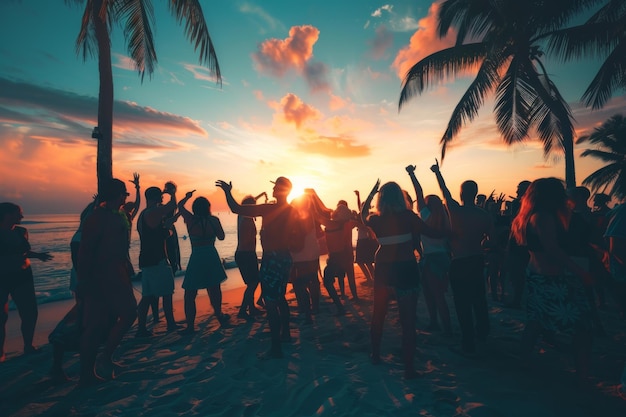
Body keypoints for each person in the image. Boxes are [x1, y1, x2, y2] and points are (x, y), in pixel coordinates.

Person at [510, 178, 594, 386]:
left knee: (536, 322)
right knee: (582, 326)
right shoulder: (544, 217)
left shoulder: (528, 217)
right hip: (553, 282)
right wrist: (580, 272)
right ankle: (582, 375)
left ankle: (524, 362)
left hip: (537, 277)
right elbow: (553, 250)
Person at [361, 179, 445, 379]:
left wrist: (371, 193)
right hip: (406, 269)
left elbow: (362, 214)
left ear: (380, 199)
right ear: (400, 197)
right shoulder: (408, 217)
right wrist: (451, 233)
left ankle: (375, 355)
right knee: (408, 322)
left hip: (383, 270)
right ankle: (408, 369)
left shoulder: (375, 220)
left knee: (378, 315)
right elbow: (431, 232)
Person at [216, 176, 302, 359]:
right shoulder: (293, 211)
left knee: (271, 304)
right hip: (286, 257)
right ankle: (285, 334)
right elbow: (299, 242)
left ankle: (276, 348)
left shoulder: (269, 208)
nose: (271, 190)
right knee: (280, 298)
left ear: (279, 190)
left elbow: (237, 209)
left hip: (272, 258)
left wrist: (228, 192)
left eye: (275, 187)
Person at [76, 179, 138, 386]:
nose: (125, 198)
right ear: (118, 195)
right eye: (125, 194)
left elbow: (120, 244)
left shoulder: (120, 215)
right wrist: (83, 281)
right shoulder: (97, 218)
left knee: (125, 315)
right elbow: (84, 251)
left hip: (118, 272)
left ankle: (105, 358)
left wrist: (126, 265)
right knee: (96, 325)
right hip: (100, 276)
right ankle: (88, 372)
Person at [430, 159, 493, 356]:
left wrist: (437, 172)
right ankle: (482, 333)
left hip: (459, 261)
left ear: (461, 194)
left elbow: (444, 190)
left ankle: (468, 341)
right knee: (479, 300)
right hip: (476, 260)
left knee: (462, 303)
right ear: (475, 193)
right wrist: (480, 244)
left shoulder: (455, 210)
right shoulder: (484, 216)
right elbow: (493, 241)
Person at [0, 203, 53, 362]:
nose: (22, 217)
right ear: (7, 215)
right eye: (18, 213)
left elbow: (23, 251)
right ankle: (0, 352)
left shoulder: (21, 231)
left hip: (23, 275)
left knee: (30, 313)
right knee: (1, 316)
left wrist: (38, 256)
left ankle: (28, 345)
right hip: (2, 277)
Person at [406, 165, 452, 334]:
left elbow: (418, 191)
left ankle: (443, 327)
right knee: (439, 296)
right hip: (444, 259)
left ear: (426, 204)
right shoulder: (446, 219)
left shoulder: (426, 216)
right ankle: (441, 325)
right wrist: (437, 173)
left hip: (430, 260)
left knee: (432, 296)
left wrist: (411, 174)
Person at [177, 190, 230, 334]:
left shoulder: (191, 220)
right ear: (208, 207)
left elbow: (179, 206)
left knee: (190, 293)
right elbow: (221, 237)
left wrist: (186, 197)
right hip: (211, 255)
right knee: (214, 289)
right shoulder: (214, 220)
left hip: (197, 256)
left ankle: (190, 326)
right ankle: (219, 315)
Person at [135, 184, 180, 337]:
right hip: (157, 259)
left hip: (147, 259)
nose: (162, 198)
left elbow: (155, 234)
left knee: (147, 295)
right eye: (161, 196)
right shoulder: (152, 212)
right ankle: (171, 324)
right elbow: (171, 206)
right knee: (167, 292)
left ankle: (141, 328)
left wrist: (166, 231)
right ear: (155, 198)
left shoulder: (143, 215)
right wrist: (173, 194)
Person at [289, 192, 322, 323]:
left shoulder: (303, 216)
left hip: (301, 254)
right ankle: (313, 307)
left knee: (300, 283)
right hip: (310, 252)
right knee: (312, 280)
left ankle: (307, 309)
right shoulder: (309, 214)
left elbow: (301, 236)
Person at [235, 195, 263, 321]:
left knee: (252, 282)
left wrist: (261, 195)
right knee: (253, 283)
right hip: (246, 254)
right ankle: (242, 310)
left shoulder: (242, 215)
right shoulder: (246, 218)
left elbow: (244, 206)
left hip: (245, 254)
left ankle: (251, 308)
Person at [354, 190, 376, 284]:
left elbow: (367, 228)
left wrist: (358, 225)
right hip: (362, 239)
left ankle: (372, 278)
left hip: (365, 240)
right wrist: (358, 196)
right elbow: (359, 206)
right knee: (362, 261)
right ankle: (371, 278)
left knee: (365, 261)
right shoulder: (362, 214)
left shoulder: (367, 215)